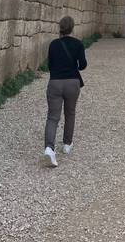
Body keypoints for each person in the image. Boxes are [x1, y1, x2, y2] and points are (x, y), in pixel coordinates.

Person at [43, 16, 87, 167]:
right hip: (72, 82)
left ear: (60, 28)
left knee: (52, 117)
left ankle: (49, 148)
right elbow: (83, 65)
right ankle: (67, 144)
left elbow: (50, 65)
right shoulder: (78, 44)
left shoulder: (53, 45)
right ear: (72, 28)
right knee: (70, 113)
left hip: (55, 82)